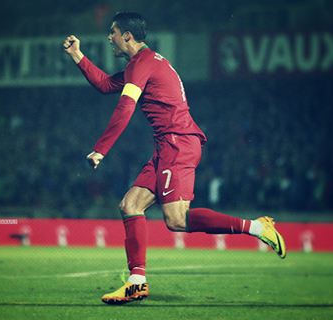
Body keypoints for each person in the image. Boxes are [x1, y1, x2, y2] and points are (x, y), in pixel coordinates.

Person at [64, 12, 286, 305]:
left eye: (113, 32)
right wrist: (77, 54)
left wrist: (101, 148)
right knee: (130, 205)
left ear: (126, 36)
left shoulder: (141, 64)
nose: (109, 37)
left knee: (177, 219)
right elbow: (106, 84)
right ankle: (137, 282)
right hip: (166, 145)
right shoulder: (144, 64)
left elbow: (125, 108)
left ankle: (258, 228)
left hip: (177, 144)